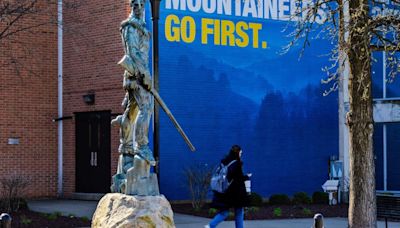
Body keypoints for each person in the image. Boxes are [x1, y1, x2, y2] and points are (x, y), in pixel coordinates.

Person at [110, 0, 155, 194]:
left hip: (136, 75)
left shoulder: (141, 26)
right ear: (131, 6)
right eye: (134, 4)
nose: (138, 7)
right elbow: (133, 52)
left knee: (132, 110)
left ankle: (127, 147)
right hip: (136, 74)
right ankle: (141, 146)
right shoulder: (130, 26)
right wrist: (144, 74)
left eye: (141, 5)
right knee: (145, 109)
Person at [206, 145, 250, 228]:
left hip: (224, 191)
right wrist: (246, 177)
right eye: (240, 153)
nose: (241, 155)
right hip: (235, 193)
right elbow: (238, 178)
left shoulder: (224, 161)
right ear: (237, 153)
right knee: (239, 212)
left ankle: (211, 225)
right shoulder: (236, 163)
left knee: (224, 212)